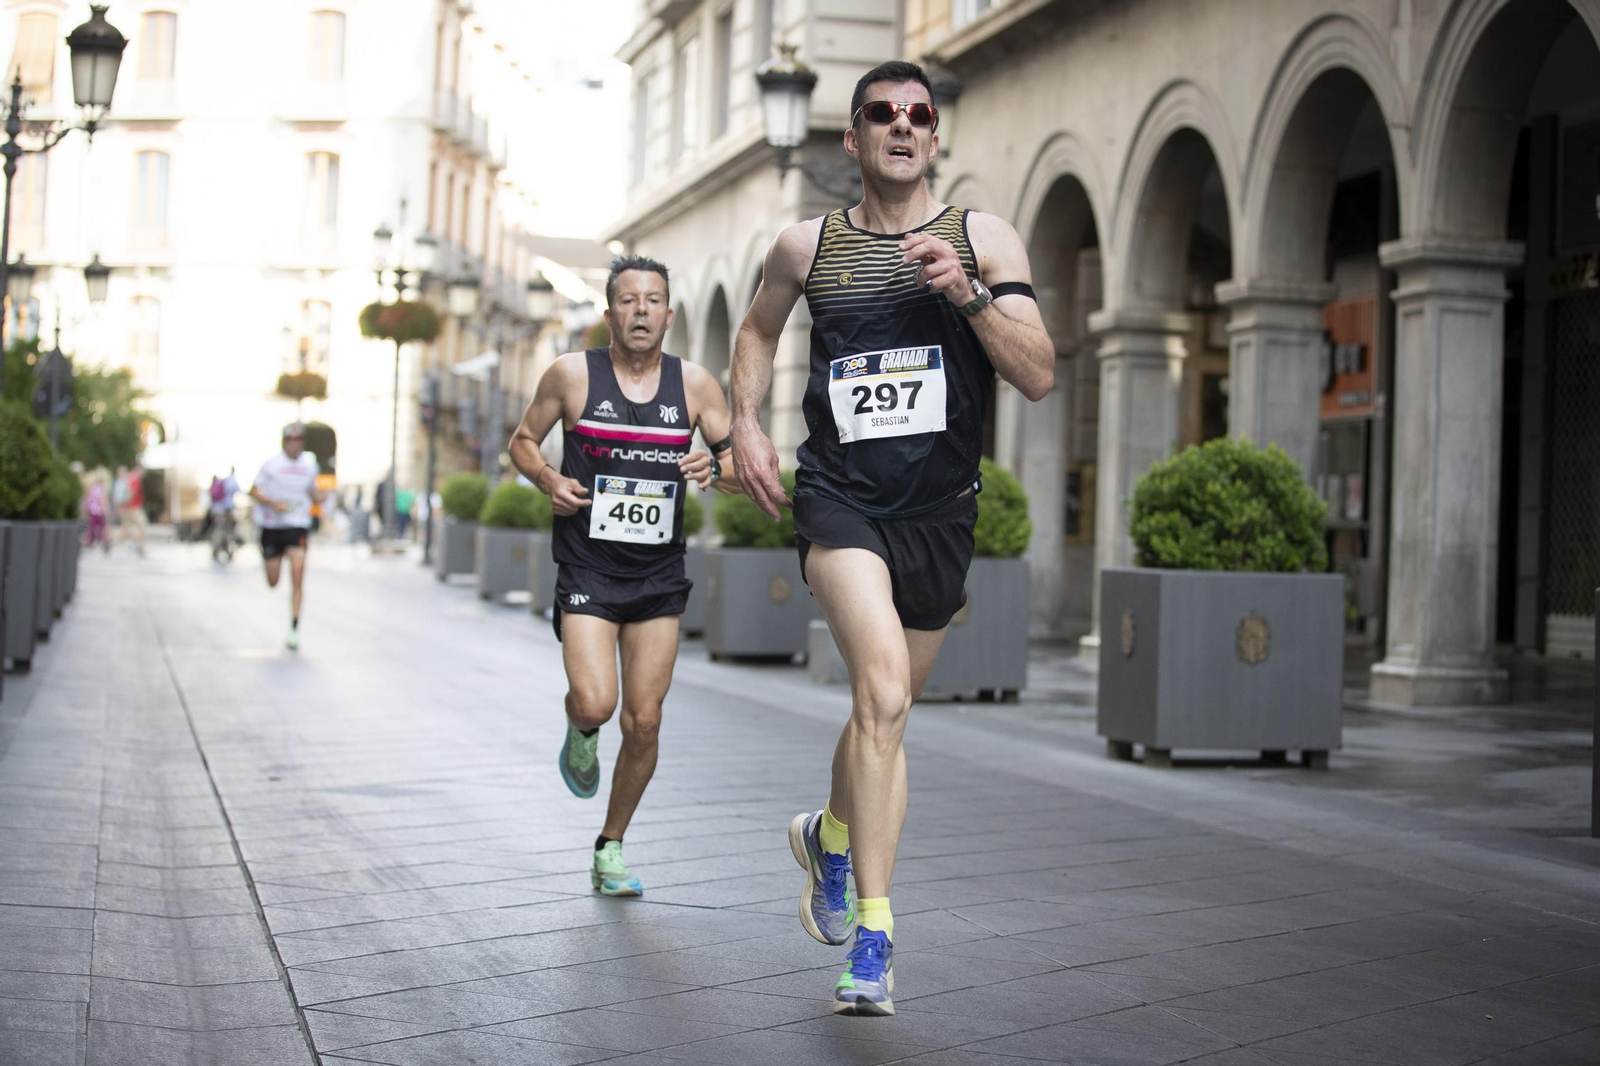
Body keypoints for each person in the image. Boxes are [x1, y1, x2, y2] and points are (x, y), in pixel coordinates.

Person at [729, 60, 1055, 1015]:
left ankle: (833, 836)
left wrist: (969, 294)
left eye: (920, 114)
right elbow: (755, 333)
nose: (903, 127)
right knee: (877, 691)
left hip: (940, 512)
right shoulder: (808, 246)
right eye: (883, 114)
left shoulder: (980, 236)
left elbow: (1037, 373)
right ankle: (873, 934)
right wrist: (746, 424)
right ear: (855, 137)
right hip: (839, 499)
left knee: (887, 711)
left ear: (935, 136)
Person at [508, 255, 741, 898]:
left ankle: (610, 845)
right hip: (588, 563)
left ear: (669, 313)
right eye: (629, 300)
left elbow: (737, 468)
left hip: (659, 573)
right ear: (609, 312)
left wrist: (715, 471)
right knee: (597, 703)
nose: (642, 310)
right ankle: (579, 729)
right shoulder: (570, 376)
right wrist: (549, 479)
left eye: (654, 300)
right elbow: (522, 441)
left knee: (643, 721)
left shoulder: (695, 387)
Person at [249, 424, 325, 650]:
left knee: (298, 575)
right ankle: (274, 558)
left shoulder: (310, 466)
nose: (294, 442)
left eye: (298, 438)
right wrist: (273, 504)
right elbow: (254, 490)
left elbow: (313, 492)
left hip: (297, 525)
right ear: (284, 441)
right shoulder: (271, 465)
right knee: (273, 582)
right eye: (290, 438)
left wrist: (320, 496)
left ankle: (293, 628)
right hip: (272, 526)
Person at [114, 463, 148, 556]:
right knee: (141, 525)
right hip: (134, 508)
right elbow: (131, 493)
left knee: (125, 528)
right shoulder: (135, 479)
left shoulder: (129, 477)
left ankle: (110, 542)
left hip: (129, 507)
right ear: (139, 469)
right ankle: (139, 545)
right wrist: (125, 505)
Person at [208, 467, 241, 561]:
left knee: (219, 529)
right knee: (225, 530)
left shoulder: (222, 481)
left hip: (217, 509)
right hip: (226, 510)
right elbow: (239, 491)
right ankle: (224, 550)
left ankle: (218, 549)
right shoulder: (231, 480)